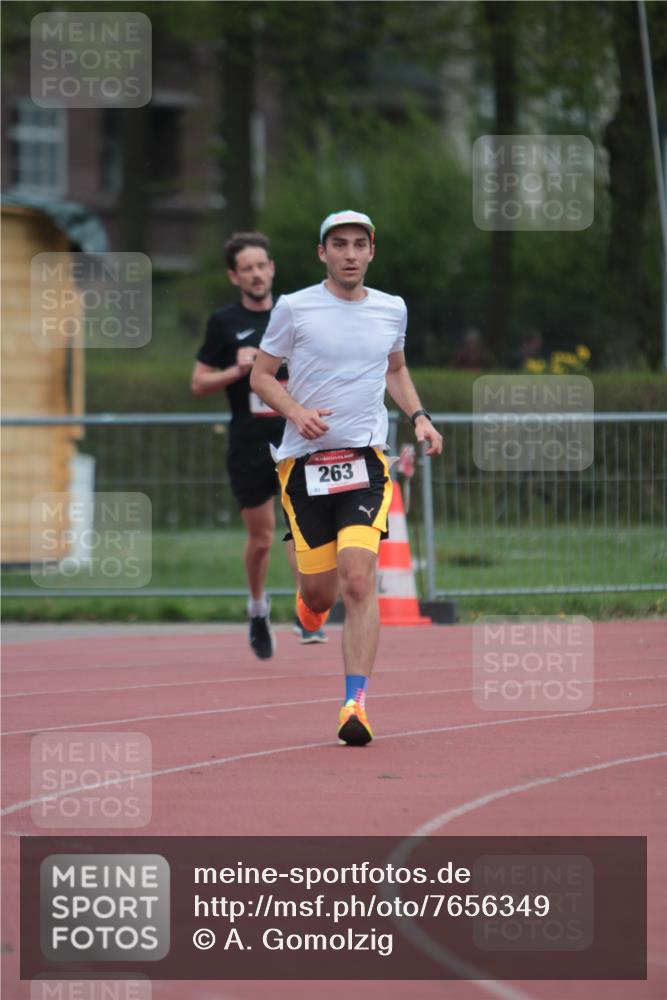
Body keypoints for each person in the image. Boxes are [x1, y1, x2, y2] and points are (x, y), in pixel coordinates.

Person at [250, 210, 443, 745]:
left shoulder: (391, 309)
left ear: (372, 252)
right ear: (322, 253)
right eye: (340, 245)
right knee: (321, 592)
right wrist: (295, 412)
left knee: (358, 578)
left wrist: (420, 417)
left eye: (360, 244)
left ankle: (354, 704)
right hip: (303, 467)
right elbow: (261, 376)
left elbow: (395, 368)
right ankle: (309, 608)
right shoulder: (294, 308)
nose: (350, 253)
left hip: (365, 463)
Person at [191, 232, 327, 660]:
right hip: (249, 442)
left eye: (261, 265)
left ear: (272, 269)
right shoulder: (224, 322)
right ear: (235, 276)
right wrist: (237, 369)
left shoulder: (294, 313)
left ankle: (306, 612)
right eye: (246, 268)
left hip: (294, 437)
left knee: (301, 527)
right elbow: (197, 383)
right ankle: (256, 607)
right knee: (263, 538)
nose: (255, 274)